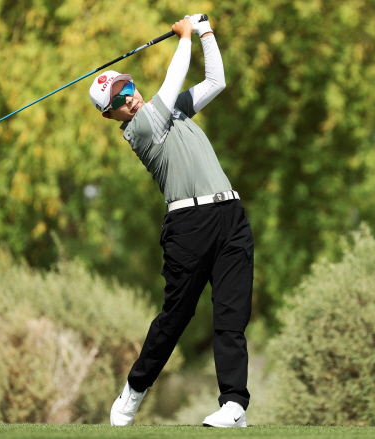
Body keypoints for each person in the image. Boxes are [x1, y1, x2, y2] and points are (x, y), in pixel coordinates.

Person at [88, 15, 254, 428]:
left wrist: (206, 32)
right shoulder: (141, 129)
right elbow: (173, 77)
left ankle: (234, 405)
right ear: (111, 115)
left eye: (128, 88)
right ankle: (134, 390)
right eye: (119, 100)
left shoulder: (174, 111)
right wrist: (184, 37)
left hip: (231, 216)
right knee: (176, 317)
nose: (130, 99)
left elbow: (215, 82)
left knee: (231, 315)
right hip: (189, 226)